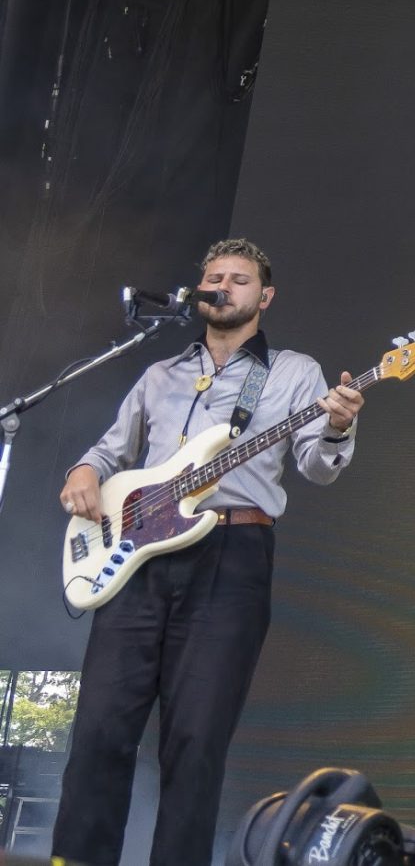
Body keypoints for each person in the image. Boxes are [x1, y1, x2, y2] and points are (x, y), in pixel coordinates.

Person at [55, 238, 365, 866]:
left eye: (239, 279)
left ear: (264, 297)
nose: (223, 286)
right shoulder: (159, 374)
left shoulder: (293, 371)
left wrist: (338, 425)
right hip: (136, 559)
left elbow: (316, 466)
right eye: (214, 277)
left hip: (232, 553)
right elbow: (111, 450)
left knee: (196, 740)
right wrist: (83, 470)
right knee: (99, 730)